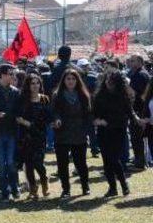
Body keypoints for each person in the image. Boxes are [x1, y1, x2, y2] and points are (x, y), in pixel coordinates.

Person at [93, 69, 144, 197]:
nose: (109, 83)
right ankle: (113, 188)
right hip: (104, 131)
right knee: (106, 160)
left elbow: (130, 111)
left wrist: (137, 119)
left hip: (119, 130)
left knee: (114, 159)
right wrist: (97, 121)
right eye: (107, 80)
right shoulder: (99, 96)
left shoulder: (123, 96)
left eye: (112, 81)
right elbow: (93, 114)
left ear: (117, 83)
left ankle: (123, 185)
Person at [51, 68, 92, 198]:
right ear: (64, 80)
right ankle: (66, 189)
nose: (70, 81)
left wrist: (86, 130)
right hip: (62, 133)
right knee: (62, 164)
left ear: (77, 80)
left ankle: (85, 186)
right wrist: (56, 119)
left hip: (79, 132)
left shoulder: (83, 95)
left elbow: (88, 114)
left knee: (81, 163)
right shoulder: (57, 95)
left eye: (73, 79)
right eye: (68, 79)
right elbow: (54, 111)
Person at [16, 73, 52, 200]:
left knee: (38, 163)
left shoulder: (45, 99)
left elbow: (48, 118)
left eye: (37, 83)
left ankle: (44, 180)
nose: (35, 86)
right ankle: (33, 189)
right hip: (25, 137)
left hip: (40, 135)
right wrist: (24, 123)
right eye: (32, 83)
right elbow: (18, 117)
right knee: (29, 164)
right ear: (28, 85)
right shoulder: (22, 100)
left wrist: (27, 123)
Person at [0, 64, 20, 201]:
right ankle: (4, 190)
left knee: (12, 162)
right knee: (1, 164)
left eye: (13, 74)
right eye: (10, 73)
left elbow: (19, 111)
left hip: (12, 132)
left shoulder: (15, 92)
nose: (13, 76)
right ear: (2, 75)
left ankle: (15, 187)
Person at [126, 54, 149, 171]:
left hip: (140, 110)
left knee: (137, 137)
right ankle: (138, 160)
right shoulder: (135, 73)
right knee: (135, 137)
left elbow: (134, 93)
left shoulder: (141, 75)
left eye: (133, 61)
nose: (130, 62)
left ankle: (140, 164)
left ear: (140, 62)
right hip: (136, 109)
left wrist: (125, 84)